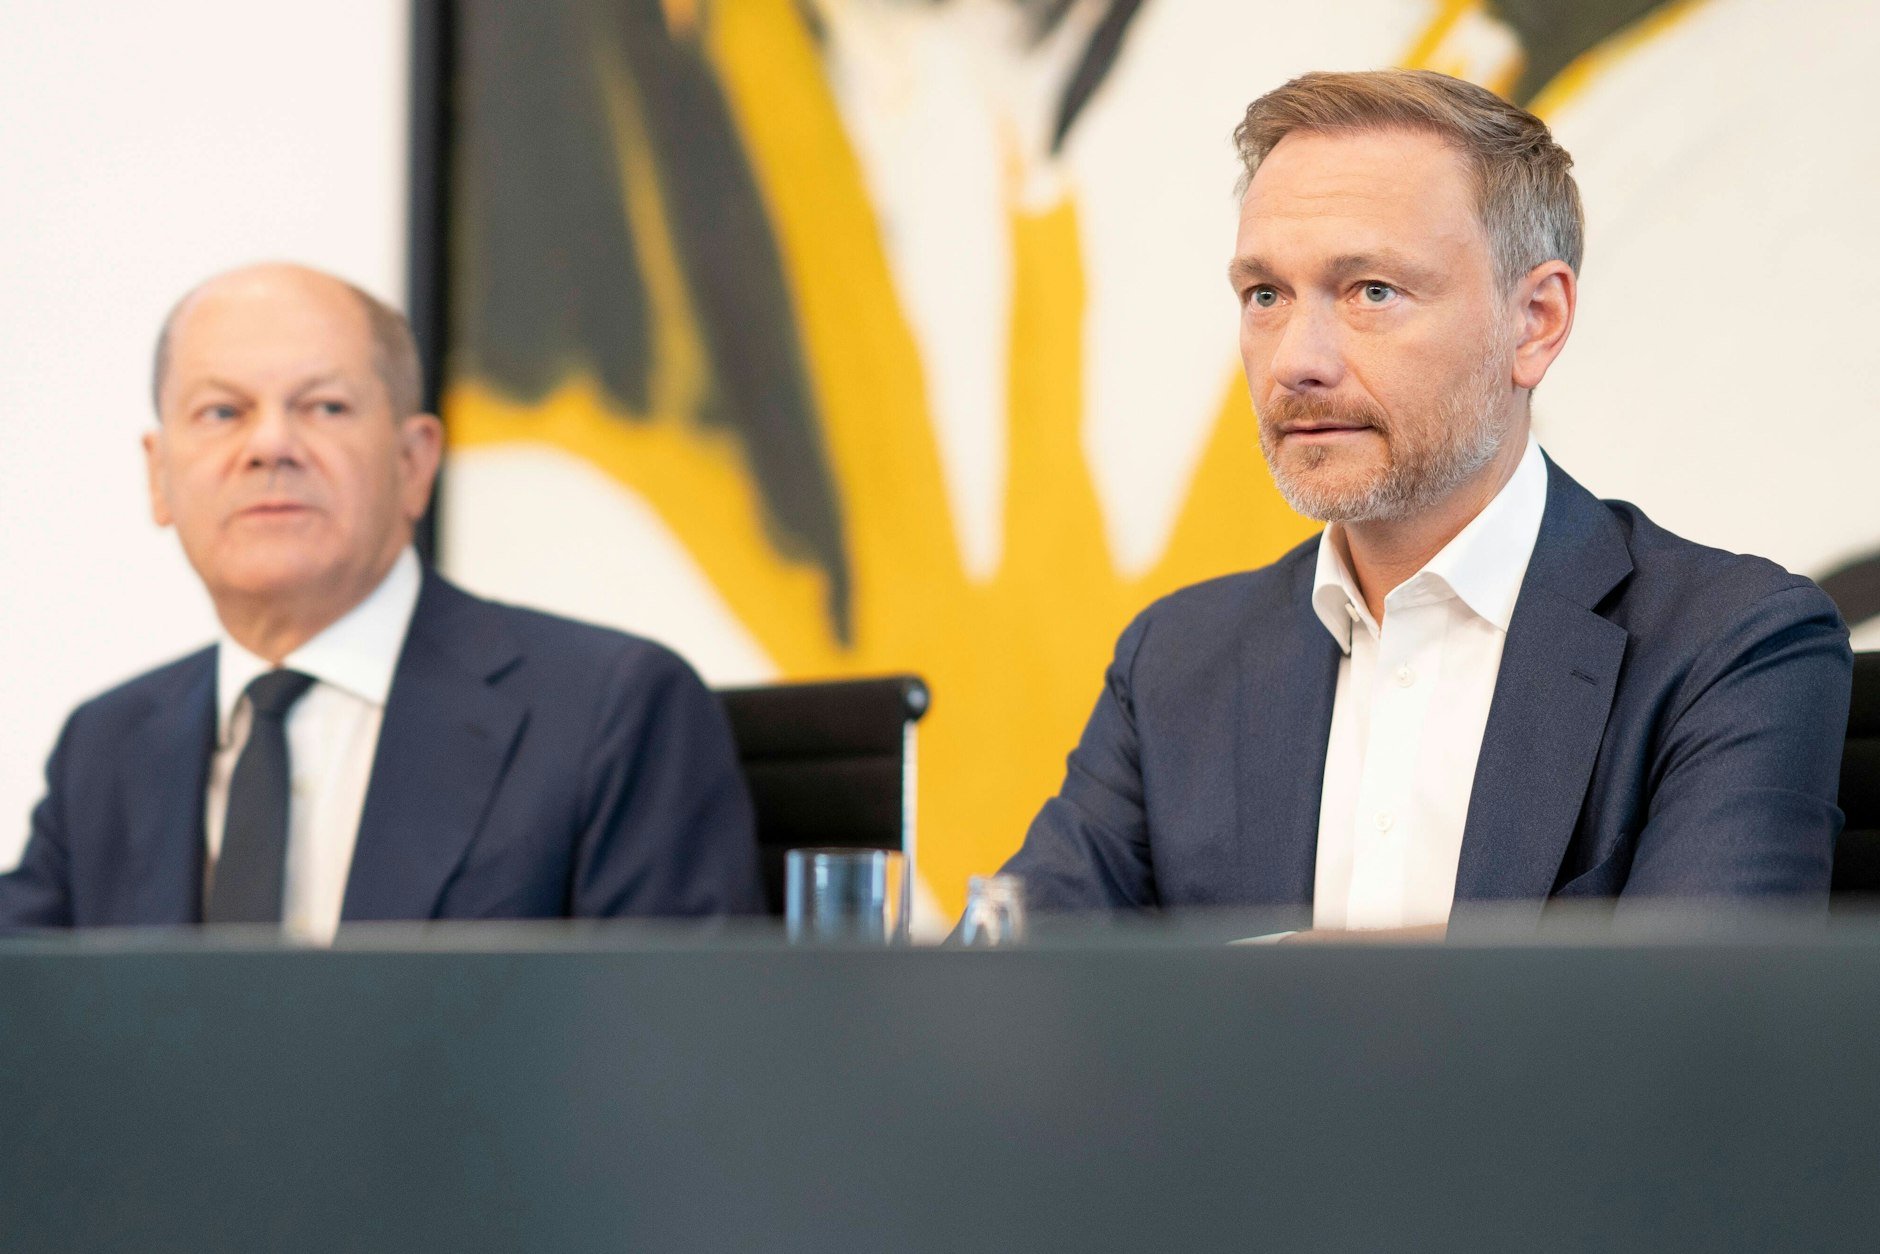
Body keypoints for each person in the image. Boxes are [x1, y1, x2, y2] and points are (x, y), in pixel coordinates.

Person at [1002, 70, 1851, 930]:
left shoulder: (1732, 647)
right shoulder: (1177, 663)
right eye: (1266, 295)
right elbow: (1006, 978)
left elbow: (1698, 1004)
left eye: (1372, 291)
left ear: (1535, 320)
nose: (1296, 361)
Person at [0, 263, 762, 936]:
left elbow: (681, 1039)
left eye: (325, 407)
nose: (270, 446)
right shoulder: (105, 747)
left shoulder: (610, 711)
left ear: (414, 462)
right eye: (222, 413)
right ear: (159, 474)